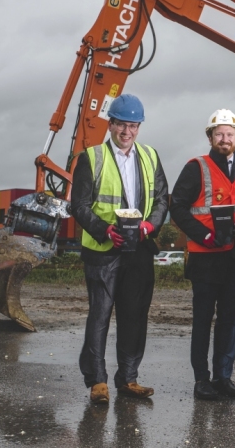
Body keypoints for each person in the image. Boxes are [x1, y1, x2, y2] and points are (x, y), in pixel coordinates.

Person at [72, 93, 169, 404]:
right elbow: (80, 205)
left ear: (138, 127)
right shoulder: (92, 158)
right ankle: (97, 381)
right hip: (103, 250)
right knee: (100, 315)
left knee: (134, 315)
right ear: (110, 124)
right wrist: (105, 230)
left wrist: (149, 226)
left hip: (139, 248)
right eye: (120, 125)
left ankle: (128, 378)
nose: (126, 132)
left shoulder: (151, 156)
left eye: (132, 126)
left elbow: (162, 200)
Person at [170, 109, 235, 400]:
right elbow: (179, 208)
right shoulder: (196, 167)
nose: (225, 139)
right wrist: (203, 234)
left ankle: (223, 377)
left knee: (231, 321)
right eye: (219, 133)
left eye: (230, 134)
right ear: (210, 137)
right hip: (206, 256)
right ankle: (201, 379)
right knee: (203, 320)